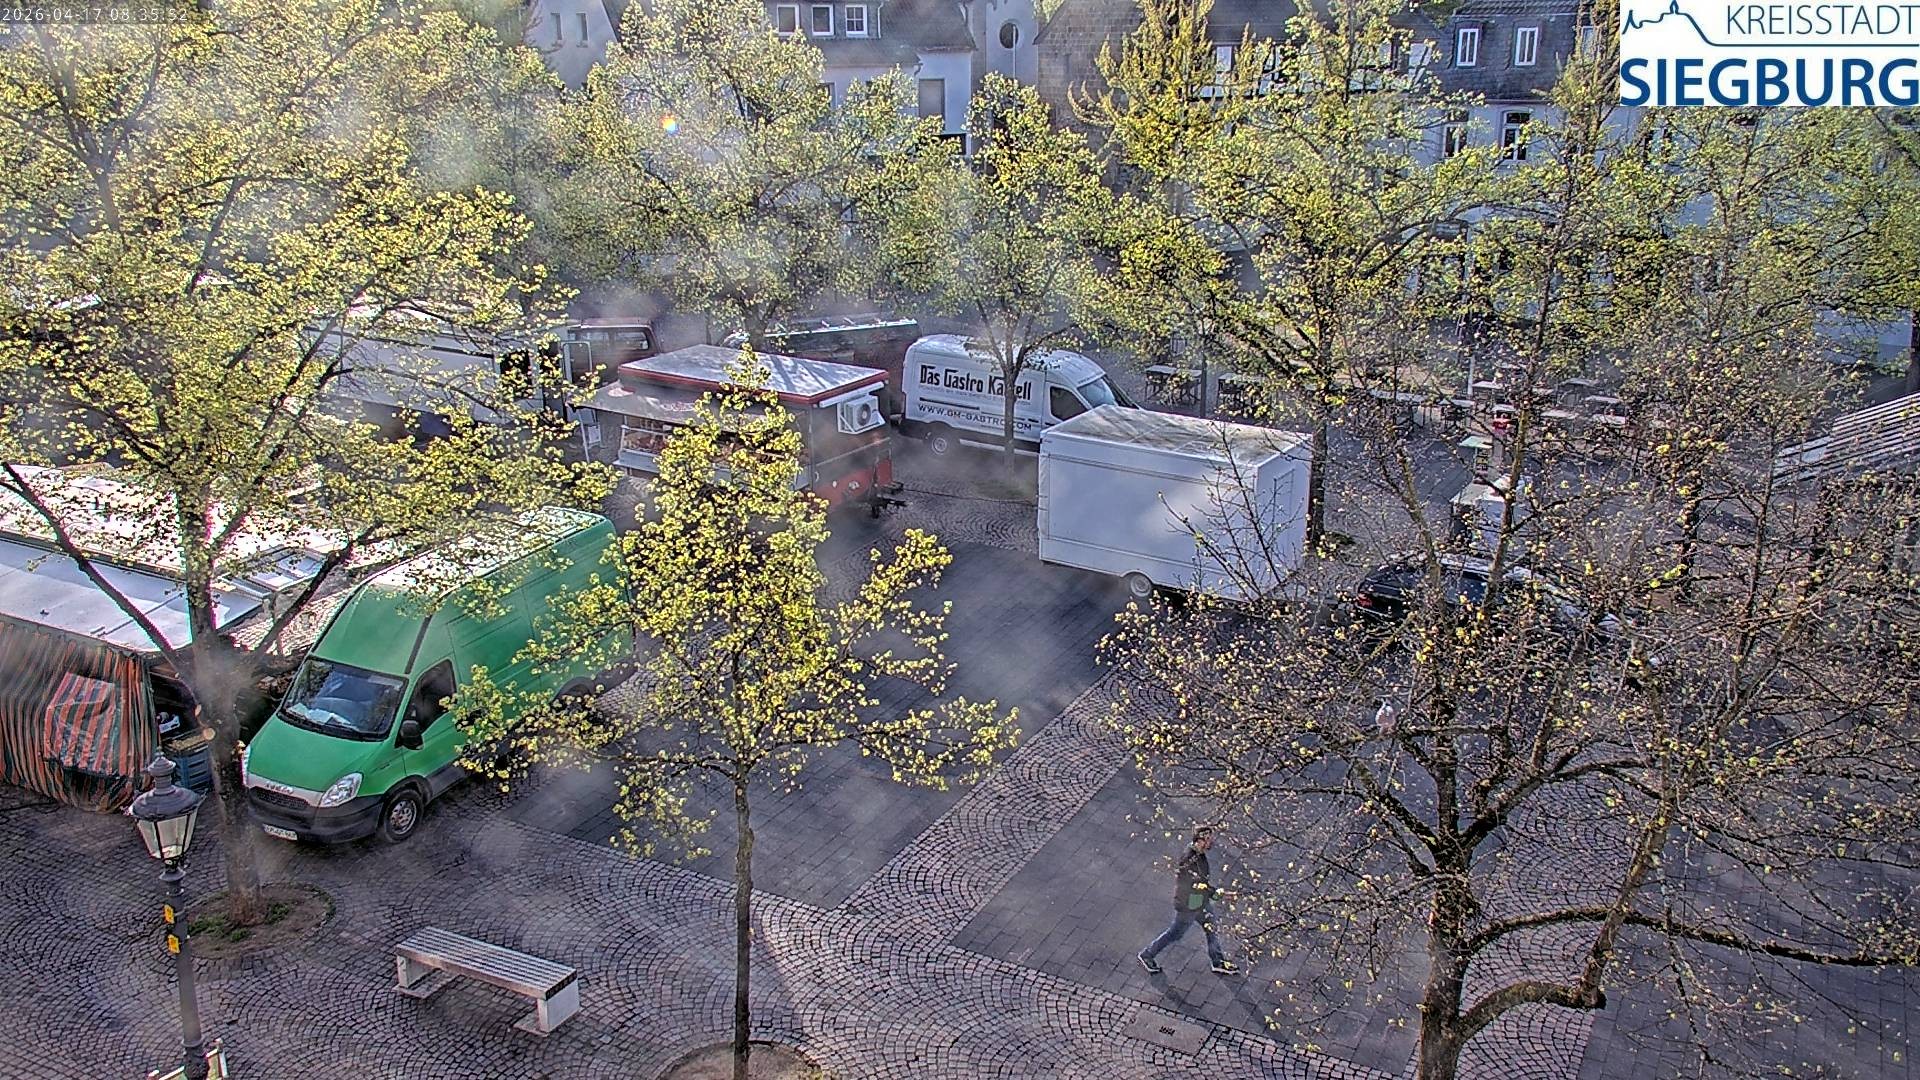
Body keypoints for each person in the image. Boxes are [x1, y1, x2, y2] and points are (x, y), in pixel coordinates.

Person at [1138, 827, 1237, 975]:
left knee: (1211, 928)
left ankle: (1218, 961)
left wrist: (1214, 894)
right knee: (1175, 933)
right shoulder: (1190, 860)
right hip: (1189, 905)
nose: (1211, 842)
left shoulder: (1199, 854)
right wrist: (1217, 894)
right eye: (1208, 839)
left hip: (1199, 902)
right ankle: (1147, 955)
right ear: (1199, 840)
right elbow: (1197, 885)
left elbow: (1201, 884)